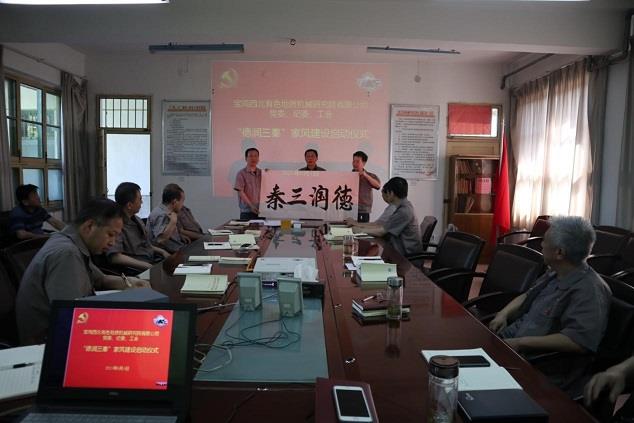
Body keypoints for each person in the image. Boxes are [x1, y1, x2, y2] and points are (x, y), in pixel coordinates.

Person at [489, 216, 611, 394]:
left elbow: (577, 341)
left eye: (545, 241)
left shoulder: (590, 291)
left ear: (559, 252)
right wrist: (503, 313)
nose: (541, 245)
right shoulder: (556, 272)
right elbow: (528, 295)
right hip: (512, 343)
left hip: (537, 367)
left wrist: (521, 343)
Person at [15, 198, 150, 345]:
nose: (112, 243)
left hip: (64, 327)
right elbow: (72, 318)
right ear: (89, 226)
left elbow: (100, 279)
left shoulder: (72, 242)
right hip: (48, 341)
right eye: (111, 234)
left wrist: (130, 283)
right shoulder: (67, 253)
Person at [348, 177, 422, 257]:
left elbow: (382, 232)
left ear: (391, 193)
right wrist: (359, 227)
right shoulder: (404, 207)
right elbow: (383, 227)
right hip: (400, 251)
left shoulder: (404, 211)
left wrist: (359, 230)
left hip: (406, 258)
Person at [109, 182, 170, 270]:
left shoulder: (137, 220)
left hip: (151, 260)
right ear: (129, 205)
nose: (142, 202)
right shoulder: (116, 225)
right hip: (136, 269)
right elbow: (115, 257)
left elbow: (146, 245)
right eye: (140, 199)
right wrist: (148, 266)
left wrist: (162, 251)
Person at [147, 183, 189, 253]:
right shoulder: (161, 214)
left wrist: (179, 236)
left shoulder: (164, 211)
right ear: (175, 202)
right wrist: (173, 222)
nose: (182, 205)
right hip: (169, 255)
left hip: (178, 249)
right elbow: (160, 241)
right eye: (182, 201)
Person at [352, 151, 381, 222]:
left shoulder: (370, 175)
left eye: (357, 161)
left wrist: (365, 175)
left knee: (363, 228)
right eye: (353, 161)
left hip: (363, 209)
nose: (355, 164)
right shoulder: (348, 175)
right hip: (350, 208)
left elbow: (378, 186)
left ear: (364, 163)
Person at [234, 147, 262, 220]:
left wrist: (269, 174)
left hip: (261, 210)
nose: (253, 158)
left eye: (256, 156)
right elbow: (240, 192)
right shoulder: (241, 173)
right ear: (246, 158)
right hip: (247, 211)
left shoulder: (262, 173)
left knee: (262, 228)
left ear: (258, 158)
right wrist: (251, 206)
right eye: (251, 156)